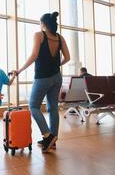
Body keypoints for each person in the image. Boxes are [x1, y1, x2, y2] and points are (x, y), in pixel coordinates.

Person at [15, 12, 70, 153]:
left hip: (42, 77)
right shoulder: (60, 38)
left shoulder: (39, 35)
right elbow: (67, 58)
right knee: (53, 108)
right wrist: (56, 65)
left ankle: (48, 135)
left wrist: (19, 70)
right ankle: (53, 140)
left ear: (43, 24)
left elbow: (34, 56)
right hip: (57, 77)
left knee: (33, 106)